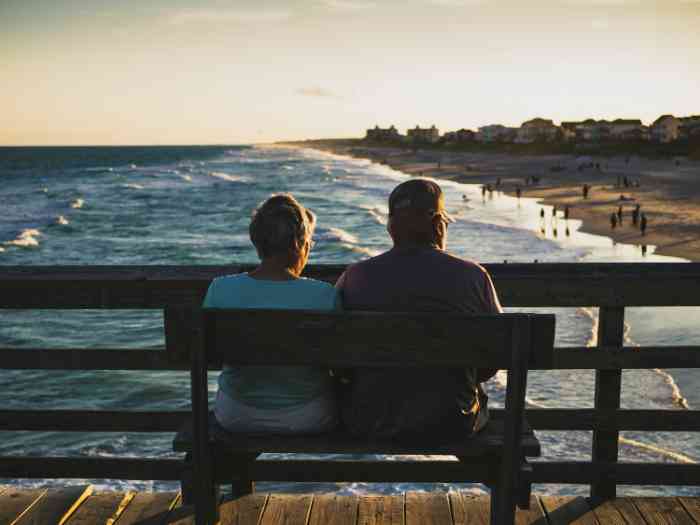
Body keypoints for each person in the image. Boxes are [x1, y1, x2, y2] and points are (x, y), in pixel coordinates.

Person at [335, 179, 502, 440]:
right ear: (438, 225)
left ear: (391, 227)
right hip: (452, 421)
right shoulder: (474, 277)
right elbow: (493, 359)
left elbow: (339, 360)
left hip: (370, 420)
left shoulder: (354, 276)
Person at [203, 194, 339, 435]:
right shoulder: (324, 295)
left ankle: (235, 473)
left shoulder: (220, 288)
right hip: (308, 417)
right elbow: (340, 364)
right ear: (299, 243)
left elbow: (210, 357)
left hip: (235, 415)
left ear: (257, 242)